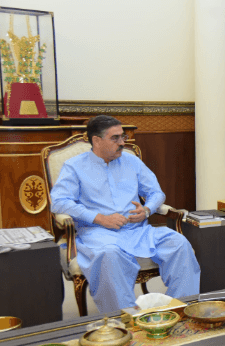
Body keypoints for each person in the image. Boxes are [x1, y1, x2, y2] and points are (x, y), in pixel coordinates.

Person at [50, 115, 201, 313]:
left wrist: (146, 210)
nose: (122, 142)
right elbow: (59, 202)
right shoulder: (74, 166)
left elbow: (156, 193)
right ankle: (126, 319)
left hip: (138, 231)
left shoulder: (132, 161)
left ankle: (180, 311)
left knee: (179, 244)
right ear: (96, 140)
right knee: (109, 255)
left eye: (123, 136)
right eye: (115, 138)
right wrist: (99, 218)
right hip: (99, 234)